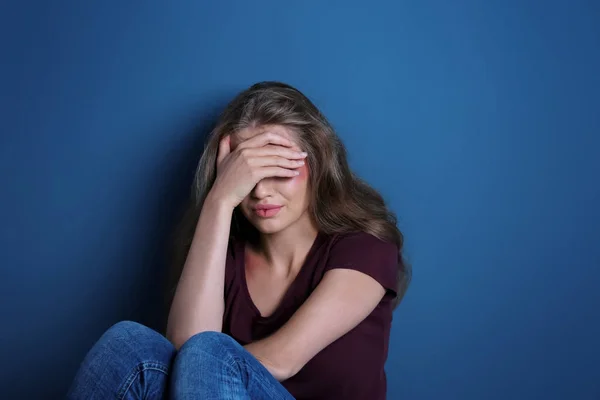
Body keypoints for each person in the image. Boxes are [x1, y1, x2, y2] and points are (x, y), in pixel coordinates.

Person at [66, 81, 411, 400]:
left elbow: (282, 359)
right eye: (245, 175)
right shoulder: (225, 254)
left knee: (209, 353)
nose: (260, 191)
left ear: (317, 164)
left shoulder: (366, 249)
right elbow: (183, 348)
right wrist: (219, 201)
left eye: (277, 169)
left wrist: (207, 364)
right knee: (126, 343)